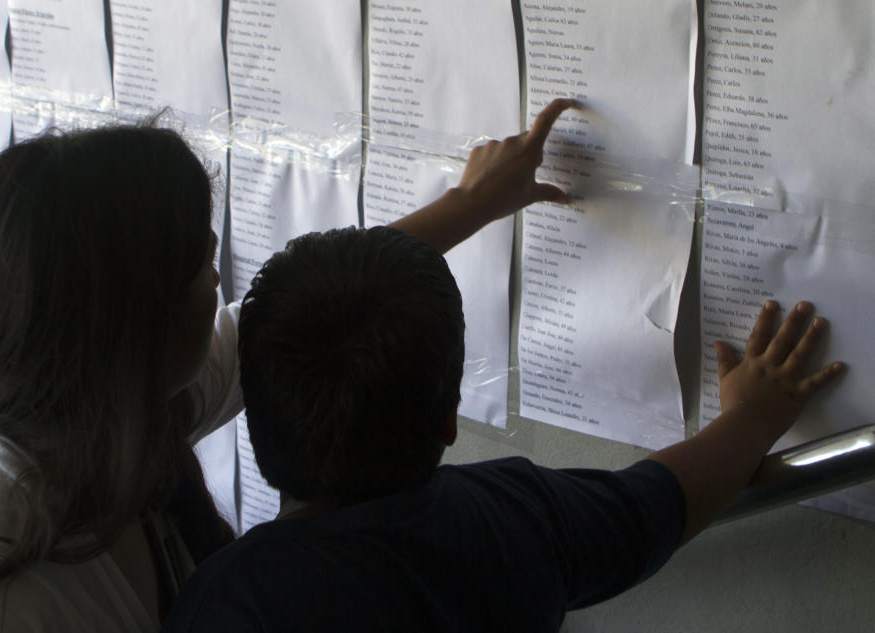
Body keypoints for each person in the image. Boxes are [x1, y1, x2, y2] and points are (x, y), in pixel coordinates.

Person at [0, 99, 578, 633]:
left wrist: (471, 203)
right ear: (141, 322)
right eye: (205, 263)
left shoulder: (107, 413)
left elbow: (291, 311)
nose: (220, 280)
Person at [162, 225, 845, 632]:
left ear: (253, 418)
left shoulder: (228, 599)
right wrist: (754, 416)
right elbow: (657, 502)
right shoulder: (512, 515)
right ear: (447, 418)